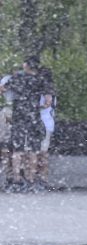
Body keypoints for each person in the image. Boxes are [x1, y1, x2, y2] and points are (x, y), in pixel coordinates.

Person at [0, 56, 51, 191]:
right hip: (33, 115)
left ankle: (16, 180)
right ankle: (31, 180)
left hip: (19, 115)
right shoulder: (41, 80)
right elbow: (48, 102)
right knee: (34, 149)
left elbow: (2, 89)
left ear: (26, 65)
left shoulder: (17, 77)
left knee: (17, 149)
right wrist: (36, 106)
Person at [37, 66, 56, 187]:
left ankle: (43, 179)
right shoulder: (50, 88)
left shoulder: (46, 89)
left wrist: (32, 107)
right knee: (41, 152)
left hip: (43, 123)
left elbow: (47, 103)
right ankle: (42, 178)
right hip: (46, 123)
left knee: (42, 152)